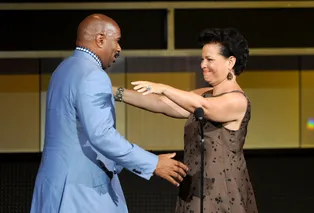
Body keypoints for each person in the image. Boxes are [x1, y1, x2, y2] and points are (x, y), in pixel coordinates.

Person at [30, 14, 188, 213]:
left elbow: (75, 134)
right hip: (82, 192)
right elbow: (101, 135)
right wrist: (152, 163)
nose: (119, 49)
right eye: (118, 41)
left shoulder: (62, 70)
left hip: (53, 188)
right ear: (100, 39)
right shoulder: (93, 75)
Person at [113, 28, 258, 213]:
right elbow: (160, 103)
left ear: (230, 62)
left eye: (210, 59)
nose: (203, 65)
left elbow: (204, 107)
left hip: (221, 191)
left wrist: (163, 88)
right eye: (202, 59)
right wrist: (113, 92)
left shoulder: (237, 100)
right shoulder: (203, 95)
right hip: (194, 188)